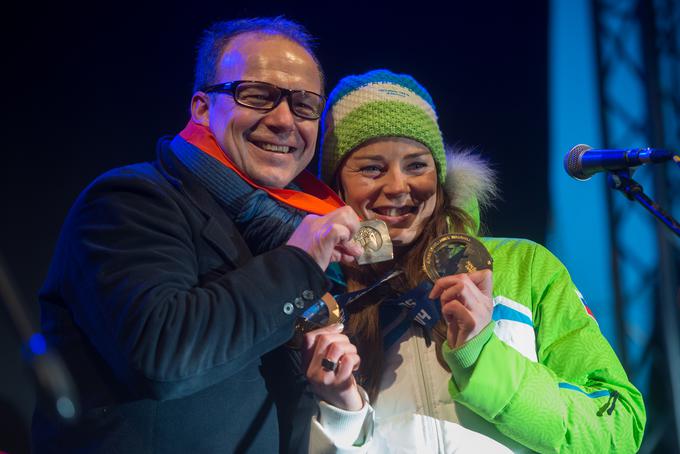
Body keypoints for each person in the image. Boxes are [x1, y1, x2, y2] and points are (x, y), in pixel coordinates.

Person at [31, 17, 364, 453]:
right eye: (257, 95)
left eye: (304, 105)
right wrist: (298, 262)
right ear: (202, 107)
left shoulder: (286, 229)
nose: (285, 120)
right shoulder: (130, 200)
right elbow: (162, 356)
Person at [303, 69, 646, 452]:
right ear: (337, 183)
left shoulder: (525, 267)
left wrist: (484, 359)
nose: (398, 186)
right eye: (371, 168)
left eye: (417, 164)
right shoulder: (318, 297)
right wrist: (341, 415)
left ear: (440, 173)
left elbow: (618, 430)